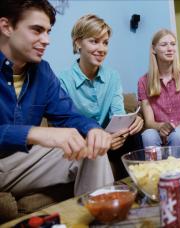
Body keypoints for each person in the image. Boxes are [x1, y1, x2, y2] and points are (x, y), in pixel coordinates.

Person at [0, 0, 114, 198]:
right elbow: (38, 135)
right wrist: (35, 133)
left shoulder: (43, 71)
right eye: (37, 30)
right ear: (6, 27)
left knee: (93, 150)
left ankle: (103, 219)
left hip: (21, 162)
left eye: (48, 31)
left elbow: (69, 115)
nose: (46, 40)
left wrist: (93, 130)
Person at [58, 14, 144, 180]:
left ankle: (140, 191)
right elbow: (64, 126)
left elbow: (118, 114)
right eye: (94, 41)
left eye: (105, 43)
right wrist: (101, 139)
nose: (102, 48)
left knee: (137, 136)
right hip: (84, 144)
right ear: (78, 43)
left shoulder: (112, 76)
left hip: (114, 143)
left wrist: (133, 121)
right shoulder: (63, 80)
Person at [137, 29, 180, 148]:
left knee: (178, 135)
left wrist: (173, 131)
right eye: (164, 44)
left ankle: (176, 167)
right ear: (153, 49)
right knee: (148, 135)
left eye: (172, 44)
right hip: (157, 130)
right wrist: (161, 127)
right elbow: (149, 122)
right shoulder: (143, 81)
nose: (170, 48)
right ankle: (155, 167)